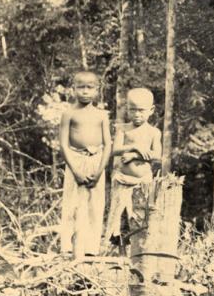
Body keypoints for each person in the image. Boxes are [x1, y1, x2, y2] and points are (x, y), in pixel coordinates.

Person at [59, 71, 111, 258]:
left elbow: (108, 145)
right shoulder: (69, 114)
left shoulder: (102, 115)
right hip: (75, 160)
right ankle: (68, 247)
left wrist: (99, 171)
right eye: (81, 87)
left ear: (97, 90)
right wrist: (76, 171)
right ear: (73, 89)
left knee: (95, 205)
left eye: (90, 87)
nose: (85, 91)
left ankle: (91, 249)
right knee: (72, 203)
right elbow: (64, 145)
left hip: (97, 161)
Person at [104, 87, 162, 245]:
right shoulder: (123, 129)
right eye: (133, 110)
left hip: (142, 182)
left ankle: (140, 252)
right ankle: (119, 253)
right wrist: (135, 147)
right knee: (119, 219)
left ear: (151, 110)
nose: (137, 115)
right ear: (127, 109)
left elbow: (157, 156)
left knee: (141, 217)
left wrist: (134, 156)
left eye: (141, 111)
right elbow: (114, 150)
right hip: (123, 181)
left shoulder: (153, 132)